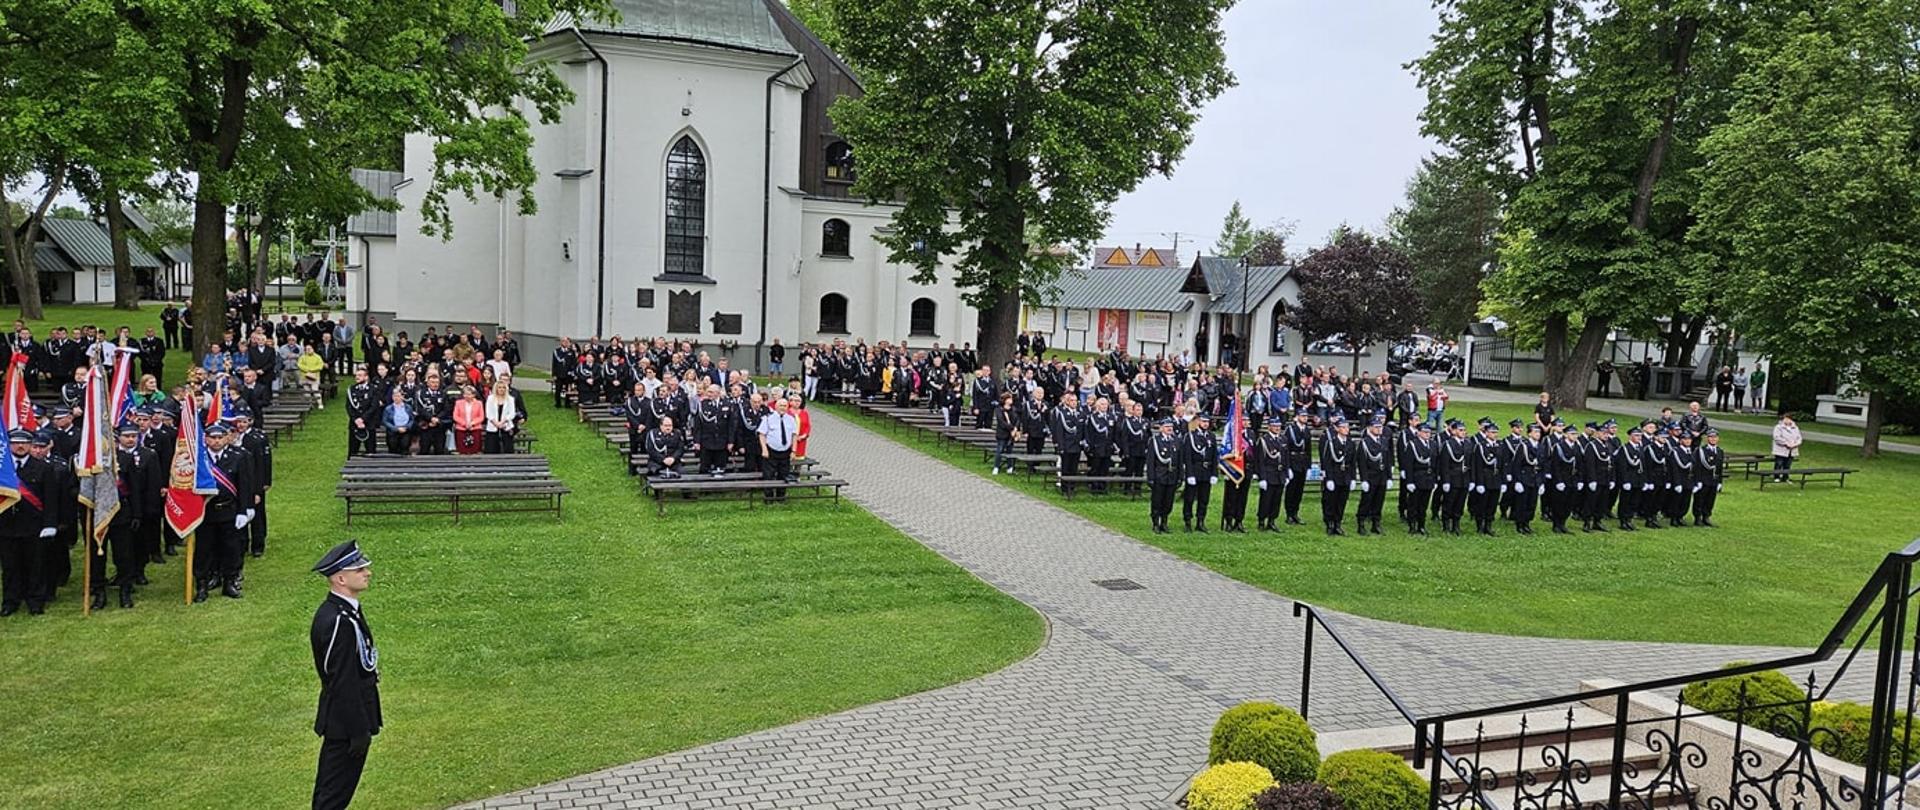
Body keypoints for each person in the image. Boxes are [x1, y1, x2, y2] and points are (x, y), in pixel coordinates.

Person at [309, 540, 382, 810]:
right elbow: (341, 681)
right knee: (332, 799)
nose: (367, 573)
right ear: (340, 578)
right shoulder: (337, 620)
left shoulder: (347, 611)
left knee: (334, 795)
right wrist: (358, 730)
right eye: (359, 569)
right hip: (345, 725)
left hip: (350, 720)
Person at [198, 421, 256, 601]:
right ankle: (202, 584)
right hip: (205, 512)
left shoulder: (237, 457)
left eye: (220, 437)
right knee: (205, 550)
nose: (216, 441)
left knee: (231, 549)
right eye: (212, 438)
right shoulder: (199, 458)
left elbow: (244, 485)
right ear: (206, 439)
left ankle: (229, 582)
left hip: (229, 510)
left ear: (227, 438)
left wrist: (245, 510)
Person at [1180, 413, 1217, 532]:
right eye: (1203, 421)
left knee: (1204, 499)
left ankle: (1200, 521)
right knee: (1189, 498)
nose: (1205, 424)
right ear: (1198, 422)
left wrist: (1214, 473)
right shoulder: (1190, 436)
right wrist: (1189, 474)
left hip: (1206, 471)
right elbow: (1187, 457)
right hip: (1195, 470)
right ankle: (1187, 521)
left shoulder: (1211, 436)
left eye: (1207, 422)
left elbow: (1214, 456)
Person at [1319, 416, 1355, 536]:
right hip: (1334, 475)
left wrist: (1353, 478)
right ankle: (1329, 523)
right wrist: (1328, 478)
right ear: (1338, 429)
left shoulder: (1350, 443)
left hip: (1345, 476)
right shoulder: (1331, 442)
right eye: (1343, 427)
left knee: (1341, 501)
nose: (1346, 429)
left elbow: (1353, 462)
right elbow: (1327, 461)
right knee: (1331, 500)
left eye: (1347, 427)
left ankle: (1338, 523)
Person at [758, 397, 799, 501]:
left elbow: (794, 435)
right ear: (776, 406)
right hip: (771, 452)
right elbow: (762, 435)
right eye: (781, 405)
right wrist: (764, 449)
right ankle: (769, 498)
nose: (783, 408)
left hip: (785, 452)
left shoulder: (791, 419)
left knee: (783, 475)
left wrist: (794, 450)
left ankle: (781, 497)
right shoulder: (767, 418)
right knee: (768, 475)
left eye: (785, 406)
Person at [1281, 410, 1312, 525]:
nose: (1305, 418)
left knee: (1299, 490)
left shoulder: (1306, 430)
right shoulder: (1290, 430)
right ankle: (1289, 514)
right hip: (1293, 462)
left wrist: (1309, 466)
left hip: (1302, 462)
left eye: (1306, 416)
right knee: (1291, 490)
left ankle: (1295, 513)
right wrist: (1287, 467)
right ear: (1297, 417)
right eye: (1302, 416)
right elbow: (1286, 449)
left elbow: (1308, 449)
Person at [1693, 429, 1725, 526]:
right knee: (1700, 499)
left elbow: (1720, 468)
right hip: (1703, 479)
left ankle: (1706, 516)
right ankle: (1698, 517)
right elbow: (1697, 466)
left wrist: (1720, 482)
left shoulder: (1720, 451)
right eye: (1711, 437)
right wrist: (1697, 480)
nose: (1713, 439)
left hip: (1713, 480)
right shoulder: (1701, 451)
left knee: (1710, 499)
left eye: (1715, 437)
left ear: (1718, 439)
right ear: (1707, 438)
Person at [346, 368, 381, 457]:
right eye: (356, 375)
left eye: (360, 375)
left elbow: (374, 406)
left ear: (366, 377)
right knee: (353, 452)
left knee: (371, 451)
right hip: (355, 424)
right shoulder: (352, 389)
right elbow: (349, 407)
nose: (357, 377)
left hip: (369, 423)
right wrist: (356, 420)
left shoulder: (373, 389)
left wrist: (362, 419)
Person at [484, 380, 519, 455]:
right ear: (496, 388)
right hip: (492, 427)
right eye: (499, 387)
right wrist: (496, 423)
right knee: (491, 449)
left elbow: (512, 413)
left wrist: (502, 422)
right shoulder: (490, 398)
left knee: (507, 449)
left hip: (506, 427)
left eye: (503, 387)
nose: (501, 389)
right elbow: (488, 413)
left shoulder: (510, 399)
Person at [382, 389, 415, 456]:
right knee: (393, 448)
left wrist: (407, 427)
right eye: (395, 396)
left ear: (402, 397)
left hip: (405, 431)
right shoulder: (388, 409)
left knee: (405, 446)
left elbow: (412, 419)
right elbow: (385, 421)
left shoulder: (408, 407)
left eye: (398, 396)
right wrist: (396, 428)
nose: (396, 398)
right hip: (393, 432)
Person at [452, 386, 485, 454]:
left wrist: (472, 423)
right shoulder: (458, 403)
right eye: (465, 394)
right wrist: (465, 424)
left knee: (474, 450)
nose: (467, 396)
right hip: (461, 429)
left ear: (474, 395)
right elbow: (455, 416)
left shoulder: (479, 403)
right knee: (462, 450)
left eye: (469, 394)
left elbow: (481, 417)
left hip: (475, 429)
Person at [1771, 413, 1802, 484]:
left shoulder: (1795, 428)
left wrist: (1795, 444)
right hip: (1780, 449)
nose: (1786, 420)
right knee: (1779, 463)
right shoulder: (1778, 427)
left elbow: (1799, 438)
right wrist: (1786, 443)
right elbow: (1777, 437)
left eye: (1788, 419)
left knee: (1787, 465)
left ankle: (1785, 477)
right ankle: (1776, 477)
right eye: (1785, 419)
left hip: (1792, 450)